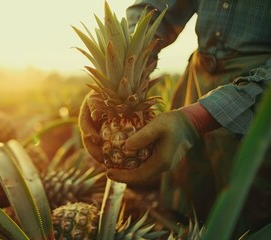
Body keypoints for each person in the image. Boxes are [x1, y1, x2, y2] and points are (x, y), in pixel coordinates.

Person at [79, 0, 271, 234]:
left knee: (250, 216)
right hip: (197, 84)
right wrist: (120, 64)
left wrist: (195, 120)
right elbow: (155, 7)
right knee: (187, 207)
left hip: (261, 103)